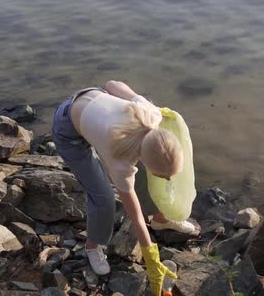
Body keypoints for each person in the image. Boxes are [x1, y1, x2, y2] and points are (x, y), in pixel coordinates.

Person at [51, 80, 197, 294]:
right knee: (104, 199)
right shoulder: (120, 162)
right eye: (162, 176)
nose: (166, 181)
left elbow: (112, 84)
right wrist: (150, 255)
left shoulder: (152, 114)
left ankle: (160, 220)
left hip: (94, 106)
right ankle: (92, 245)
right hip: (68, 129)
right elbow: (135, 215)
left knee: (144, 178)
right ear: (142, 160)